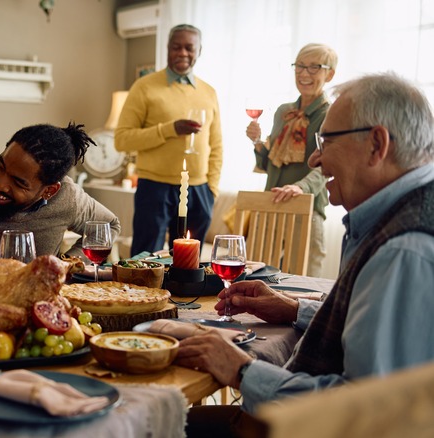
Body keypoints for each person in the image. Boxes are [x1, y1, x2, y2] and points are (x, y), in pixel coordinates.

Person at [178, 72, 434, 437]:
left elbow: (367, 410)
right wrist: (295, 309)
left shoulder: (404, 251)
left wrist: (241, 370)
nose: (315, 158)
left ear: (377, 144)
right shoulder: (404, 217)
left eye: (326, 140)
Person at [115, 23, 223, 255]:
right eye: (176, 47)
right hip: (155, 188)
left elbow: (216, 146)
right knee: (145, 261)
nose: (183, 53)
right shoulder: (144, 87)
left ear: (199, 51)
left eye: (189, 48)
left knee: (187, 266)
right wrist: (169, 129)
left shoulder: (209, 92)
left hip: (199, 190)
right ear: (167, 49)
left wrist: (211, 189)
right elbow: (122, 140)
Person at [0, 122, 120, 257]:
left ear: (49, 191)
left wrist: (66, 264)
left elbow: (110, 225)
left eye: (19, 182)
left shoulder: (68, 197)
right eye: (0, 165)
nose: (0, 184)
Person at [246, 43, 337, 277]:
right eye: (300, 66)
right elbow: (269, 164)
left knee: (304, 283)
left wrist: (299, 187)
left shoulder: (331, 115)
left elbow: (327, 166)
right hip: (272, 204)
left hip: (307, 207)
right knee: (259, 278)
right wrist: (258, 142)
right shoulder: (282, 112)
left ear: (330, 74)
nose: (304, 73)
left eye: (314, 67)